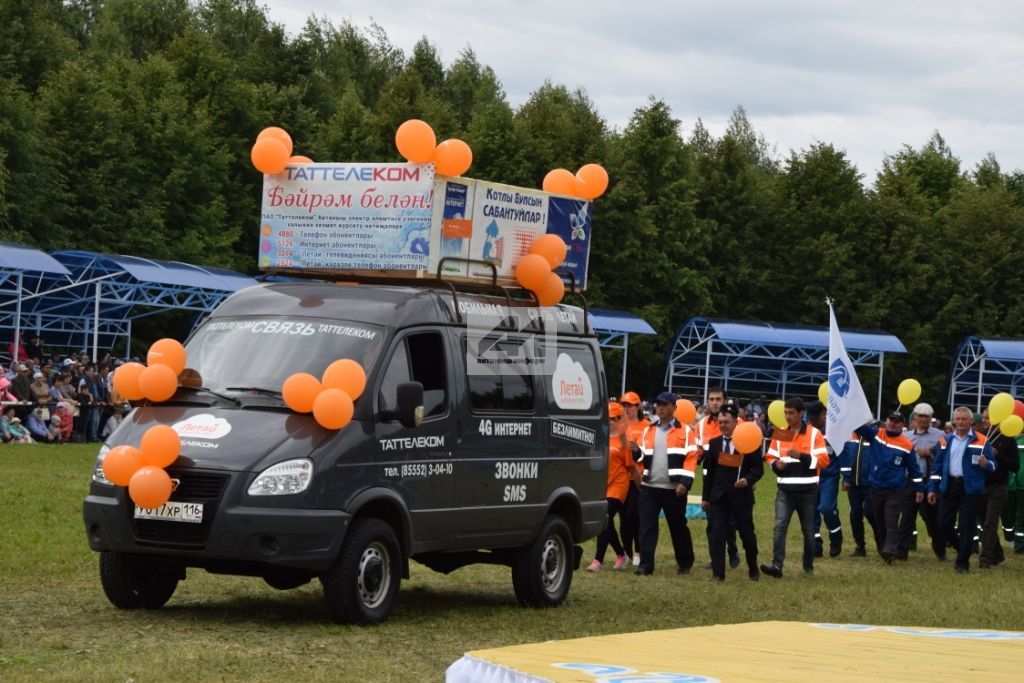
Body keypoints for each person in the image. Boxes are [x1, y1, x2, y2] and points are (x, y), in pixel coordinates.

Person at [631, 391, 698, 576]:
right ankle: (645, 565)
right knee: (646, 527)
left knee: (678, 527)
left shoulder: (686, 431)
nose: (659, 407)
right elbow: (642, 458)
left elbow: (691, 458)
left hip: (674, 489)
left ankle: (685, 563)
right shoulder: (648, 430)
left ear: (674, 408)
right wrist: (636, 452)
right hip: (650, 488)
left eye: (664, 404)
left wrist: (685, 482)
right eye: (658, 404)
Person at [760, 397, 828, 578]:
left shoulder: (814, 434)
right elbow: (770, 456)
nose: (787, 416)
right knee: (779, 526)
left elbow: (823, 461)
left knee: (808, 529)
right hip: (785, 490)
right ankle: (777, 566)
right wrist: (775, 465)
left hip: (807, 491)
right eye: (785, 413)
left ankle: (808, 565)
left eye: (791, 413)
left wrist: (803, 456)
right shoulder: (781, 433)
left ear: (801, 413)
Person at [928, 406, 996, 573]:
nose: (960, 422)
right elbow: (937, 467)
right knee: (943, 523)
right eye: (957, 419)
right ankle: (962, 548)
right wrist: (932, 488)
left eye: (964, 419)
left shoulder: (981, 440)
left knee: (966, 525)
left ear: (971, 421)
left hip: (970, 488)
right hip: (949, 485)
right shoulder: (945, 440)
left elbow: (994, 465)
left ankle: (962, 563)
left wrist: (985, 463)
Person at [701, 401, 763, 581]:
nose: (723, 426)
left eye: (726, 422)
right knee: (717, 535)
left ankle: (753, 568)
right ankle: (718, 574)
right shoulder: (714, 444)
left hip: (741, 498)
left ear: (736, 422)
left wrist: (748, 480)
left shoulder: (749, 442)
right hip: (719, 497)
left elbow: (758, 470)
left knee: (747, 535)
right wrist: (706, 498)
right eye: (720, 423)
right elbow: (708, 473)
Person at [855, 412, 925, 563]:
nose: (893, 424)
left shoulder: (907, 445)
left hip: (895, 489)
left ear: (902, 425)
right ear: (885, 421)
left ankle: (890, 549)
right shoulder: (876, 435)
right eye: (891, 420)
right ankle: (883, 547)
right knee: (877, 519)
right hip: (875, 487)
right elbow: (859, 429)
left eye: (897, 421)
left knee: (891, 520)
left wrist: (919, 488)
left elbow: (914, 469)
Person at [697, 387, 741, 570]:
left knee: (729, 521)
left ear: (725, 401)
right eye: (711, 399)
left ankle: (732, 550)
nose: (714, 402)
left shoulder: (737, 423)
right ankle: (716, 558)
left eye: (718, 399)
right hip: (711, 479)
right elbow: (698, 449)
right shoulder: (701, 425)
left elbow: (744, 450)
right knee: (712, 522)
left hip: (731, 479)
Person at [588, 402, 634, 572]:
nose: (606, 421)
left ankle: (597, 560)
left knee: (605, 516)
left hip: (619, 484)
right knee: (606, 522)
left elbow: (631, 467)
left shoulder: (624, 439)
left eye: (610, 419)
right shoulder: (600, 437)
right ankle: (621, 554)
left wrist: (641, 487)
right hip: (603, 484)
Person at [903, 402, 946, 558]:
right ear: (915, 417)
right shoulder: (906, 436)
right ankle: (902, 551)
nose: (922, 419)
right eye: (920, 416)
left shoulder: (940, 435)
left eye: (926, 417)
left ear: (931, 418)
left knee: (933, 518)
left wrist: (931, 453)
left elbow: (944, 456)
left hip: (930, 480)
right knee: (907, 517)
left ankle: (940, 550)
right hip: (911, 480)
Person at [978, 427, 1020, 568]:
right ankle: (998, 553)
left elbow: (1015, 466)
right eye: (984, 417)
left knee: (990, 522)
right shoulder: (980, 436)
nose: (985, 420)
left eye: (988, 417)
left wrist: (998, 455)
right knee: (984, 521)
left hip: (998, 486)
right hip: (980, 484)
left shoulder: (1008, 439)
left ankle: (985, 558)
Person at [807, 401, 842, 558]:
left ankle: (836, 537)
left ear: (824, 414)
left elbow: (843, 454)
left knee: (826, 508)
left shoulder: (834, 432)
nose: (814, 421)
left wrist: (846, 476)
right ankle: (816, 546)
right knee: (811, 513)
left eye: (817, 417)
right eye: (811, 417)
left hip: (829, 477)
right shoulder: (806, 431)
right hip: (810, 477)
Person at [619, 391, 649, 567]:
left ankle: (638, 550)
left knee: (635, 514)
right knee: (623, 517)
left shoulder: (648, 426)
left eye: (630, 405)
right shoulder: (618, 425)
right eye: (624, 405)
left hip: (639, 477)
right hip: (621, 476)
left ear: (638, 406)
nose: (626, 409)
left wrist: (638, 449)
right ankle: (626, 552)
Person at [840, 431, 879, 556]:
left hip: (870, 485)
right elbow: (846, 459)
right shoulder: (850, 436)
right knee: (855, 514)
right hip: (853, 484)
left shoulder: (874, 436)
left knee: (871, 513)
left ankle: (882, 541)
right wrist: (846, 478)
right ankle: (860, 546)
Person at [1001, 434, 1024, 554]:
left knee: (1014, 515)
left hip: (1014, 482)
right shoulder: (1016, 441)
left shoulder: (1016, 441)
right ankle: (1016, 543)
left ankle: (1015, 541)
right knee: (1016, 516)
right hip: (1015, 483)